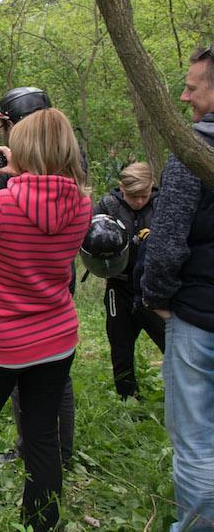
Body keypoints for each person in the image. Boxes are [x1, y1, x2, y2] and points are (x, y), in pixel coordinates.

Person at [0, 108, 92, 531]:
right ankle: (41, 523)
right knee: (42, 435)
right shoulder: (83, 204)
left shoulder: (4, 202)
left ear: (24, 150)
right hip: (56, 338)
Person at [140, 44, 214, 531]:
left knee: (196, 439)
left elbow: (165, 246)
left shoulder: (194, 150)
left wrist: (157, 300)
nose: (184, 95)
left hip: (199, 317)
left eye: (192, 85)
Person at [93, 162, 164, 399]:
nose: (138, 201)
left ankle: (180, 392)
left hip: (152, 287)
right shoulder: (108, 206)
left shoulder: (162, 205)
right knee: (120, 344)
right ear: (121, 187)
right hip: (119, 284)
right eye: (132, 196)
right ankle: (127, 397)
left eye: (143, 195)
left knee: (170, 340)